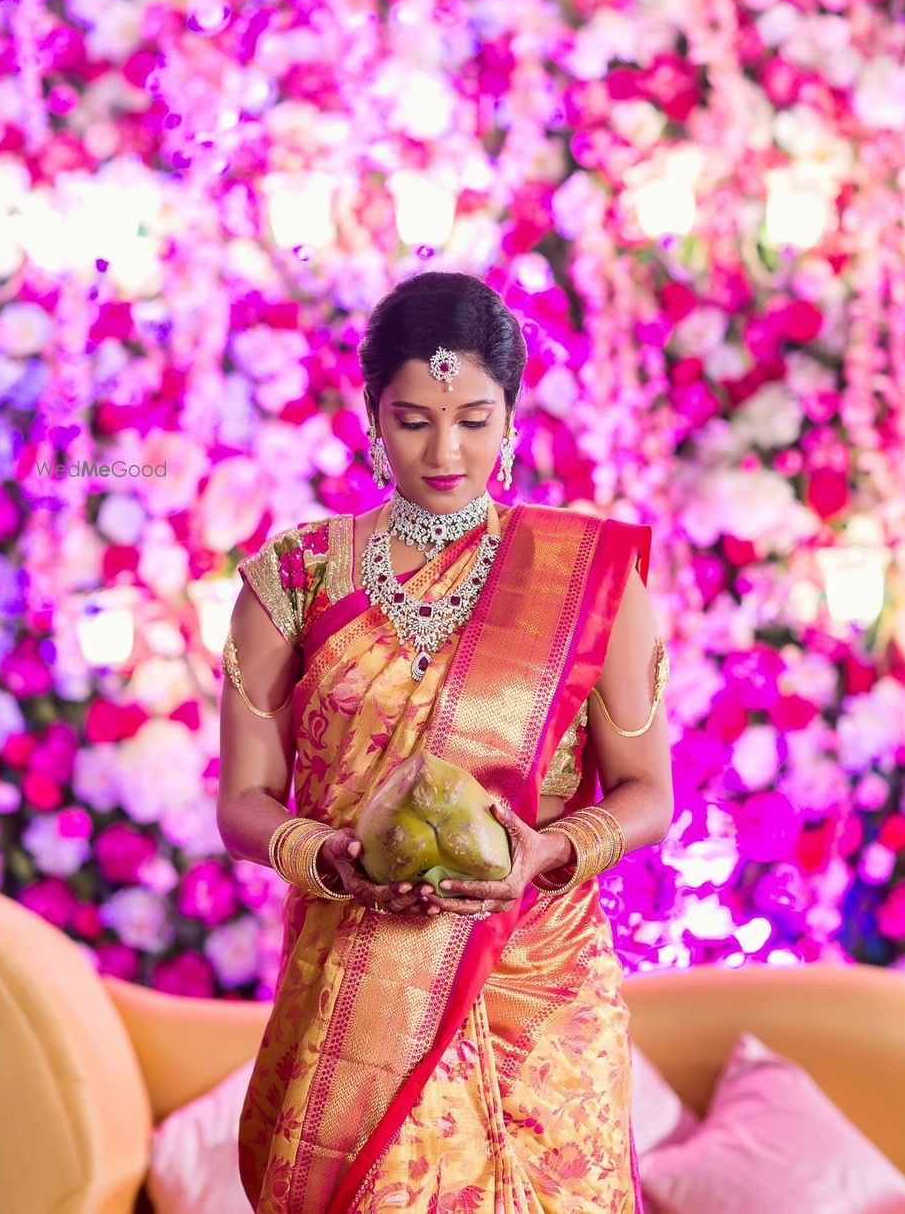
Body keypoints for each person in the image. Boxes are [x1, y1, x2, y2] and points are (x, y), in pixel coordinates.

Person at [218, 270, 674, 1214]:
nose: (446, 449)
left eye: (474, 416)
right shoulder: (296, 576)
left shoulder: (586, 578)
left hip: (542, 985)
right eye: (414, 417)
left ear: (511, 415)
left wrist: (549, 850)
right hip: (364, 978)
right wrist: (327, 855)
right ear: (372, 416)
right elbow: (242, 802)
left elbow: (646, 792)